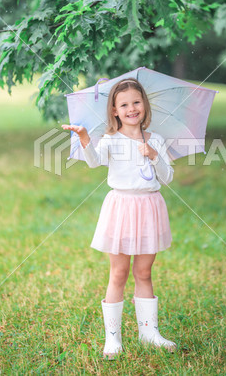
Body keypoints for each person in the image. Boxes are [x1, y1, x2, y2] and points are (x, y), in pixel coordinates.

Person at [61, 78, 176, 359]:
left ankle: (149, 333)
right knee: (119, 273)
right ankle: (112, 338)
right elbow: (93, 161)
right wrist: (85, 139)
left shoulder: (156, 140)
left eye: (136, 102)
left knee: (144, 272)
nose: (131, 108)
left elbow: (168, 176)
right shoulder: (111, 140)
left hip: (149, 207)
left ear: (144, 106)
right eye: (124, 104)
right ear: (114, 110)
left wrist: (154, 155)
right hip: (121, 208)